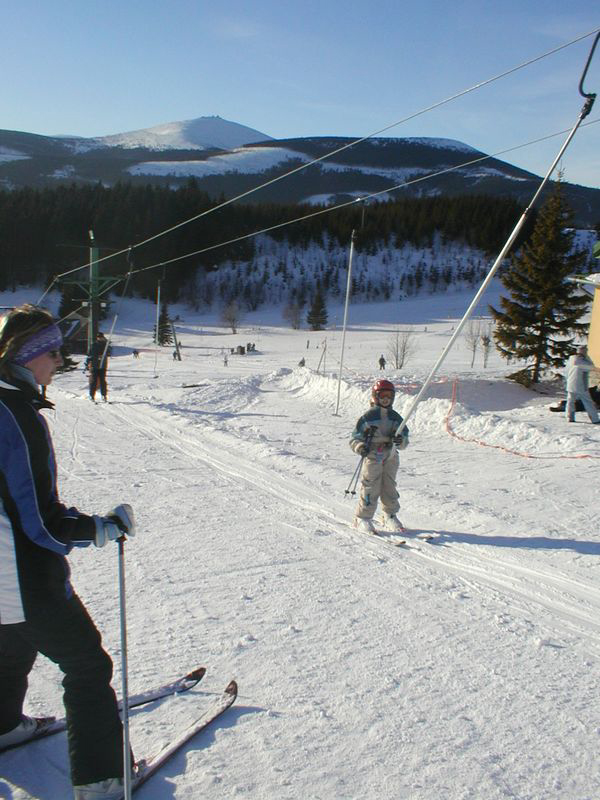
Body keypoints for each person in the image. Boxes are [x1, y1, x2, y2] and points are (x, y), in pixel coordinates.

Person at [0, 304, 136, 800]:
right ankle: (101, 781)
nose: (60, 360)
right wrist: (99, 529)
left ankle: (3, 727)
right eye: (53, 351)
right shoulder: (15, 416)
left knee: (12, 645)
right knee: (87, 666)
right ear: (28, 355)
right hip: (20, 572)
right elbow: (39, 519)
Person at [350, 378, 409, 534]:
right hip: (373, 454)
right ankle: (363, 517)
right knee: (371, 484)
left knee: (389, 484)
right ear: (375, 396)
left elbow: (405, 440)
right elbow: (354, 438)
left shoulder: (396, 418)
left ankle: (389, 514)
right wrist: (361, 447)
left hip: (390, 454)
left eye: (389, 396)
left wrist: (399, 440)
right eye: (382, 395)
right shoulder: (368, 417)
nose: (385, 399)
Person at [565, 345, 599, 424]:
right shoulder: (582, 361)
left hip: (570, 383)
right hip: (581, 385)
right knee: (588, 402)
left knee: (570, 401)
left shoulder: (571, 360)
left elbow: (566, 372)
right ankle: (595, 419)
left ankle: (569, 417)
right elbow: (591, 366)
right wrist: (587, 358)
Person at [86, 331, 110, 403]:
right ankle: (91, 395)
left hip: (102, 366)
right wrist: (88, 362)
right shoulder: (94, 345)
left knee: (103, 381)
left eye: (101, 337)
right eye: (98, 337)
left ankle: (104, 395)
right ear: (97, 338)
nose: (100, 339)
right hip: (94, 365)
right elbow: (89, 354)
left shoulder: (105, 345)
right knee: (94, 381)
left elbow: (108, 352)